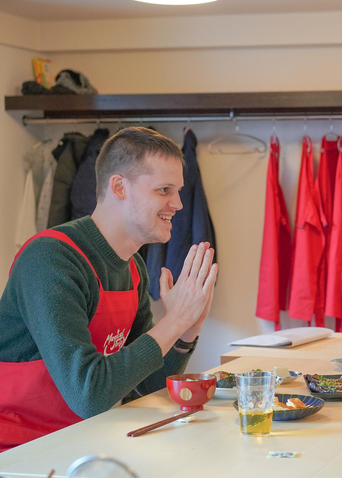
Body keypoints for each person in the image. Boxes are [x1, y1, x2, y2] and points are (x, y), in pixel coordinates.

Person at [0, 127, 219, 452]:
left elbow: (145, 385)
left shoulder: (133, 268)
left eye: (178, 191)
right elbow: (88, 394)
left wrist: (187, 330)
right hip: (23, 453)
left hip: (85, 442)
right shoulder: (50, 259)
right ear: (119, 187)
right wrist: (172, 322)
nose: (178, 204)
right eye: (164, 190)